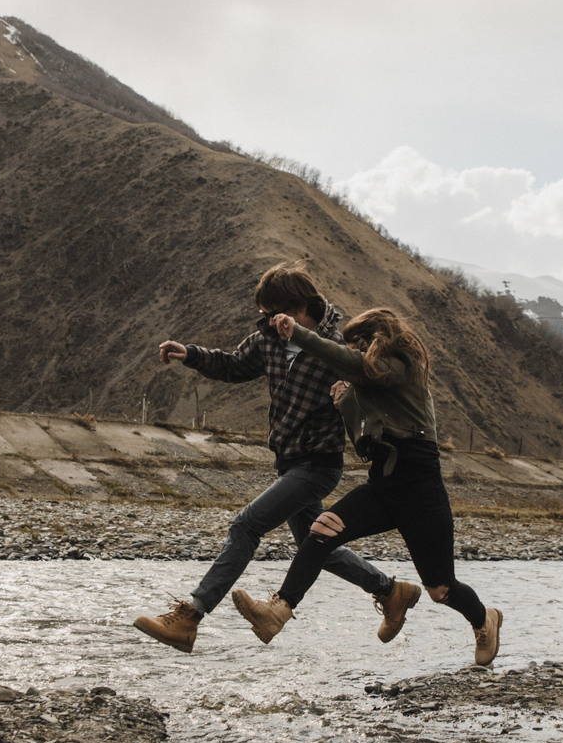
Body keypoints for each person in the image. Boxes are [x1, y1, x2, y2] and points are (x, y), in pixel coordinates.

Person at [132, 263, 420, 653]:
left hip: (319, 464)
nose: (269, 321)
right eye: (266, 314)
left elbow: (367, 397)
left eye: (276, 312)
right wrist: (191, 355)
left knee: (246, 526)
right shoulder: (268, 338)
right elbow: (234, 365)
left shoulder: (334, 345)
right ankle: (391, 591)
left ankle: (190, 617)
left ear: (302, 307)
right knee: (315, 546)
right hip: (288, 461)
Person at [229, 306, 502, 666]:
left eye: (358, 347)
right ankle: (278, 610)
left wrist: (296, 333)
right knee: (320, 532)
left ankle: (484, 620)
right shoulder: (367, 385)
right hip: (382, 489)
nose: (354, 355)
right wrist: (347, 404)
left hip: (421, 494)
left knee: (440, 589)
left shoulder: (402, 367)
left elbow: (348, 360)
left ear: (377, 341)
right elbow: (363, 448)